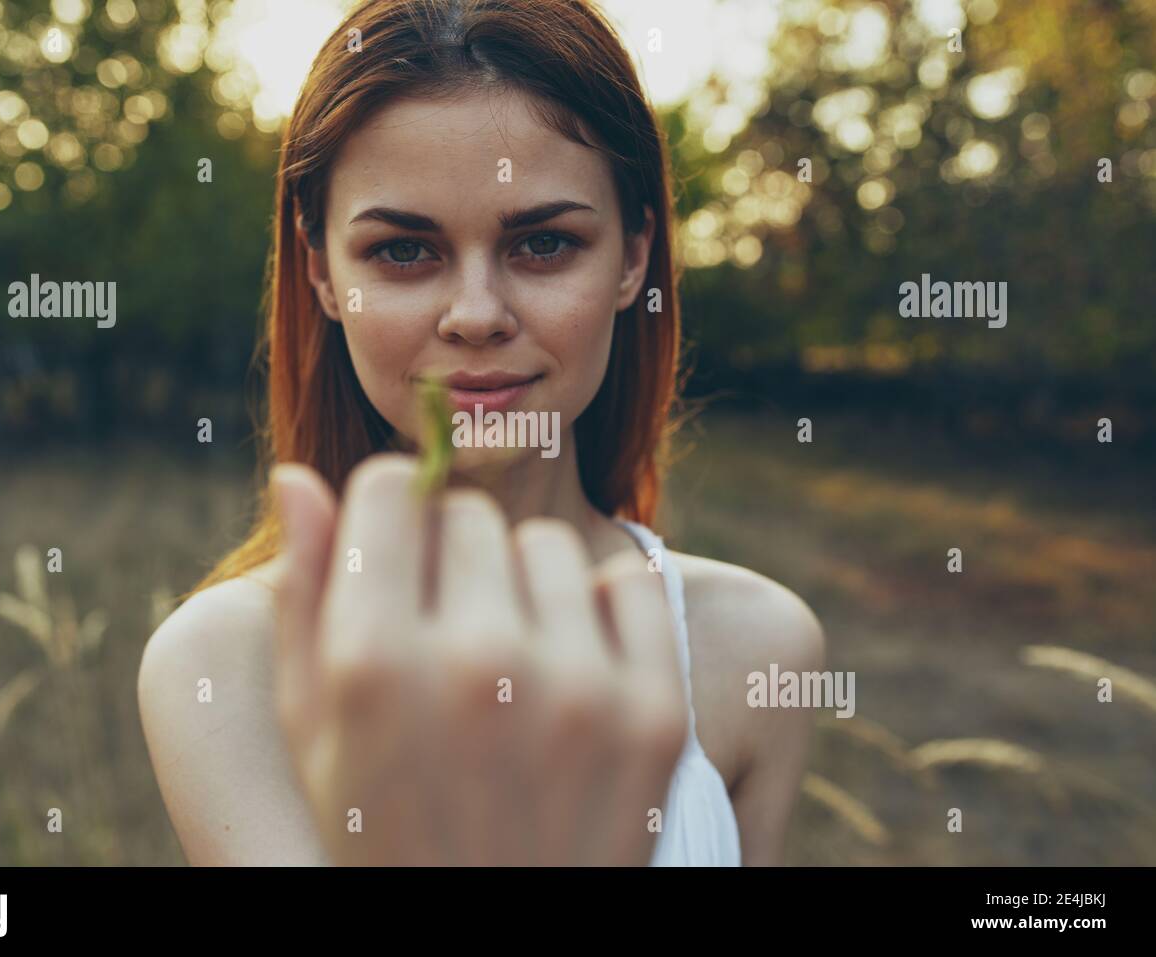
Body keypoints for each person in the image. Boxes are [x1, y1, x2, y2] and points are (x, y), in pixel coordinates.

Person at [138, 0, 824, 866]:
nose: (476, 315)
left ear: (635, 257)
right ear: (320, 273)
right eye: (401, 251)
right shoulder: (225, 665)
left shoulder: (758, 645)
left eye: (542, 244)